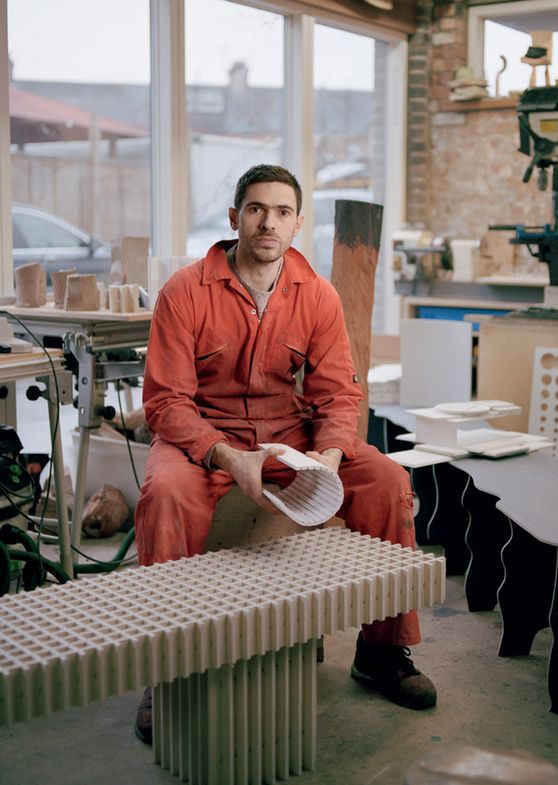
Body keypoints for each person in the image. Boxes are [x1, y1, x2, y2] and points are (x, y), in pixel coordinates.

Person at [131, 164, 434, 744]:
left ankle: (383, 652)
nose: (268, 223)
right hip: (204, 437)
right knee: (164, 494)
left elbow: (339, 394)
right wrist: (222, 454)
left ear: (297, 224)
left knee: (388, 479)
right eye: (256, 209)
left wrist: (328, 458)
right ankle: (165, 673)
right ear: (234, 218)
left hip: (288, 438)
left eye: (282, 212)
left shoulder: (316, 295)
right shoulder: (185, 292)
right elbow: (166, 401)